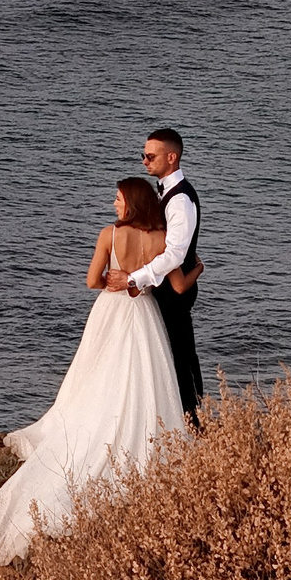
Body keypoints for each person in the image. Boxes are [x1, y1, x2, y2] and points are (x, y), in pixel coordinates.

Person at [0, 176, 187, 565]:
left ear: (131, 203)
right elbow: (174, 285)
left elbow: (92, 280)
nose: (114, 204)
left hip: (111, 312)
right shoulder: (162, 239)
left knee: (96, 377)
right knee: (145, 377)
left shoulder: (109, 235)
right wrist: (196, 271)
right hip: (145, 313)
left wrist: (114, 279)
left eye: (118, 199)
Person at [107, 128, 205, 418]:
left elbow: (174, 254)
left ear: (171, 157)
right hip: (163, 287)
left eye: (150, 156)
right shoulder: (162, 195)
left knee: (179, 355)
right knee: (165, 354)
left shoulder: (180, 200)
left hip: (176, 291)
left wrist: (134, 278)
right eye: (143, 155)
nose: (144, 162)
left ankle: (193, 420)